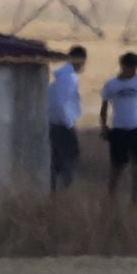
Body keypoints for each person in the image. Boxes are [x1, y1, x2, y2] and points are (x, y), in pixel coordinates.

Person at [100, 51, 137, 204]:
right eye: (130, 67)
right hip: (118, 129)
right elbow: (104, 107)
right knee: (117, 167)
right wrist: (103, 126)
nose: (133, 71)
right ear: (123, 66)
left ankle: (135, 197)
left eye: (135, 68)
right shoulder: (111, 84)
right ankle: (111, 198)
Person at [48, 45, 87, 192]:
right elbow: (61, 103)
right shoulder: (69, 78)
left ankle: (56, 191)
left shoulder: (64, 77)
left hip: (56, 124)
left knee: (57, 160)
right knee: (68, 159)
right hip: (62, 126)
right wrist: (70, 124)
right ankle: (63, 191)